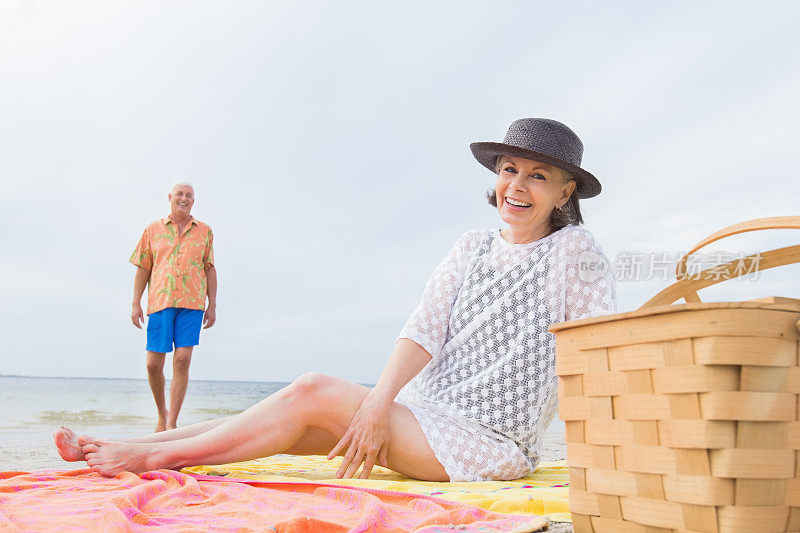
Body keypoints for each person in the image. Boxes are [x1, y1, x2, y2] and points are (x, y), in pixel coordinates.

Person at [54, 118, 616, 482]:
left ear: (565, 190)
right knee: (285, 422)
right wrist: (379, 403)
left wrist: (604, 451)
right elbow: (424, 328)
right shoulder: (471, 245)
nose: (516, 186)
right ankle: (127, 445)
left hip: (489, 440)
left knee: (310, 389)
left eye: (538, 176)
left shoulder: (576, 250)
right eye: (509, 170)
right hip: (426, 414)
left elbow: (595, 354)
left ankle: (152, 457)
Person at [130, 182, 217, 432]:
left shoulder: (205, 232)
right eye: (180, 194)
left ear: (193, 201)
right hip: (160, 302)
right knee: (153, 364)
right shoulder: (153, 229)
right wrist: (135, 303)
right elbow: (143, 268)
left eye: (189, 195)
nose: (184, 198)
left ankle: (171, 422)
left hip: (192, 303)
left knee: (182, 360)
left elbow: (209, 269)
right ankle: (161, 412)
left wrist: (212, 305)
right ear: (170, 197)